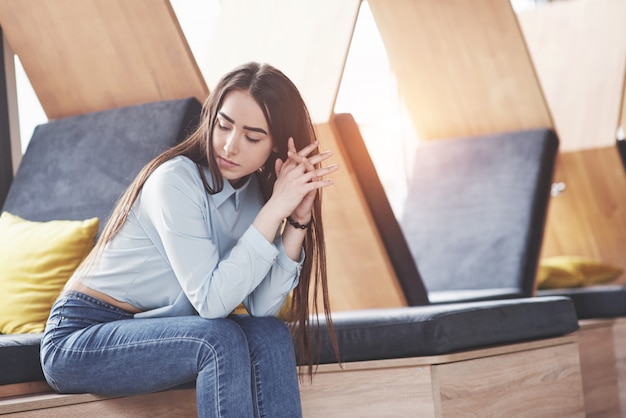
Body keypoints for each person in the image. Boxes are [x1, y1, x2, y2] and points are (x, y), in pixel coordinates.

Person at [40, 62, 339, 418]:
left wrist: (297, 220)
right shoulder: (175, 181)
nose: (229, 146)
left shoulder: (256, 197)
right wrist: (276, 209)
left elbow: (261, 308)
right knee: (218, 340)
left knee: (270, 333)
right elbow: (212, 305)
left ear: (276, 146)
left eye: (252, 137)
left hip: (156, 329)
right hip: (81, 335)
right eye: (223, 125)